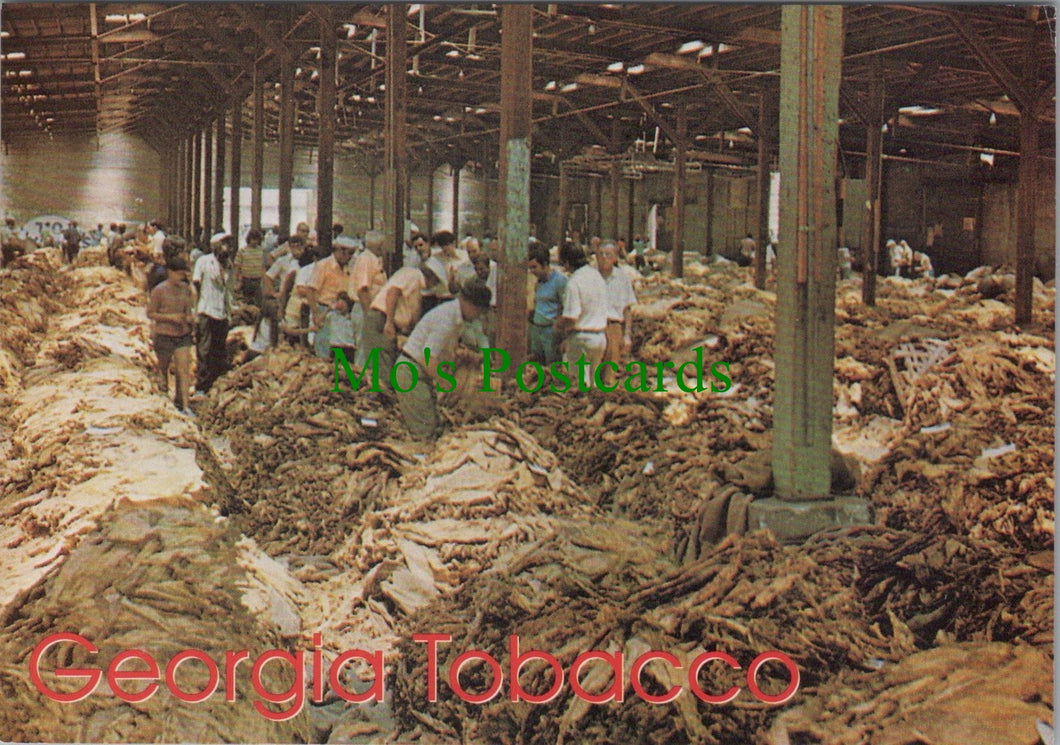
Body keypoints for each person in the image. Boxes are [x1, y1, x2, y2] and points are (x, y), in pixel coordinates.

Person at [393, 280, 492, 439]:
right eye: (479, 311)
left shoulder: (455, 317)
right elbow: (427, 359)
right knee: (425, 431)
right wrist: (446, 383)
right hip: (411, 371)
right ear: (469, 304)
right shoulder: (446, 319)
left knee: (433, 425)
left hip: (419, 372)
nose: (478, 316)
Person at [361, 257, 446, 378]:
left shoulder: (417, 284)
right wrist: (389, 322)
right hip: (382, 319)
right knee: (381, 366)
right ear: (432, 277)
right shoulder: (412, 275)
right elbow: (393, 292)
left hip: (389, 322)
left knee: (387, 364)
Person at [147, 255, 196, 415]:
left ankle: (185, 405)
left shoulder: (185, 289)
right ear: (170, 272)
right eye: (177, 273)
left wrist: (189, 319)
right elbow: (150, 313)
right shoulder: (159, 290)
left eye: (182, 274)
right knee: (163, 370)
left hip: (182, 334)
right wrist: (170, 318)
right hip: (164, 335)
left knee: (183, 370)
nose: (180, 277)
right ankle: (164, 401)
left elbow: (188, 310)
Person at [555, 242, 608, 389]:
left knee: (579, 384)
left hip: (581, 338)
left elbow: (571, 316)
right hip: (600, 337)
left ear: (567, 262)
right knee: (594, 384)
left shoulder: (574, 282)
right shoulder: (597, 276)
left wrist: (559, 325)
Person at [192, 233, 235, 396]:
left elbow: (228, 291)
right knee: (204, 350)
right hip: (206, 310)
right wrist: (195, 310)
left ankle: (215, 383)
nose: (227, 248)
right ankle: (201, 386)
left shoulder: (229, 265)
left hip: (221, 313)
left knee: (218, 349)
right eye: (224, 244)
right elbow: (196, 285)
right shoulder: (203, 262)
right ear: (215, 246)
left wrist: (229, 313)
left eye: (229, 245)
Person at [596, 240, 636, 387]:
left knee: (610, 373)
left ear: (615, 258)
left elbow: (627, 309)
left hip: (613, 327)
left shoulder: (622, 279)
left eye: (608, 254)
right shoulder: (589, 277)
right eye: (600, 254)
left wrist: (627, 335)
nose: (604, 257)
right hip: (592, 326)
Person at [527, 243, 567, 365]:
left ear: (544, 264)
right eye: (530, 268)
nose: (532, 271)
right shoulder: (538, 283)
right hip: (537, 328)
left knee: (552, 365)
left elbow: (565, 307)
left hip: (551, 331)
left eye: (534, 267)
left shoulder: (559, 281)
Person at [236, 228, 265, 306]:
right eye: (253, 239)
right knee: (246, 301)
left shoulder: (261, 250)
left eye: (257, 239)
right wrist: (238, 280)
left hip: (258, 280)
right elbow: (238, 266)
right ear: (249, 239)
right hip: (246, 280)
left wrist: (264, 279)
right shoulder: (242, 250)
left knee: (259, 302)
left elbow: (263, 265)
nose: (255, 241)